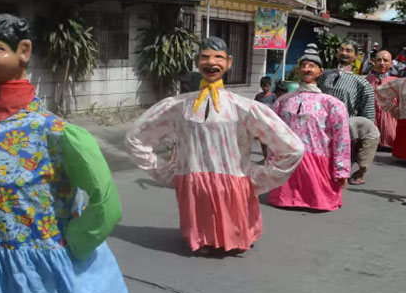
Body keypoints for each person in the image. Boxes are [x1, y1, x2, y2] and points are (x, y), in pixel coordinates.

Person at [0, 14, 129, 293]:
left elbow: (105, 201)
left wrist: (77, 241)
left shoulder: (54, 133)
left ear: (23, 51)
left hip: (42, 274)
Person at [125, 37, 304, 254]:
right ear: (197, 61)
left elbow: (293, 147)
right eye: (205, 57)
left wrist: (260, 178)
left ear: (229, 62)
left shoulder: (243, 107)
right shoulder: (178, 106)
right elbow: (136, 137)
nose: (211, 63)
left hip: (233, 182)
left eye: (218, 57)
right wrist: (166, 171)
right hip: (193, 181)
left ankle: (232, 239)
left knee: (235, 240)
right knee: (201, 237)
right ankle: (202, 240)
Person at [268, 47, 350, 211]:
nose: (307, 69)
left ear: (320, 71)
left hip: (318, 160)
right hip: (288, 160)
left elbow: (342, 139)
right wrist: (271, 160)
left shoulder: (331, 104)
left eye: (311, 66)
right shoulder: (283, 101)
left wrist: (342, 170)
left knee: (319, 198)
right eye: (304, 65)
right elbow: (273, 133)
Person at [318, 42, 376, 120]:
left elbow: (368, 117)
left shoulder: (362, 84)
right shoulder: (324, 75)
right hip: (321, 126)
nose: (344, 53)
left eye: (348, 50)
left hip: (346, 128)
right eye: (341, 49)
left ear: (356, 56)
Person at [366, 50, 397, 149]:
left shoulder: (396, 82)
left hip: (390, 125)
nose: (382, 63)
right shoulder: (367, 80)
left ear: (391, 63)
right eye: (379, 60)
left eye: (385, 60)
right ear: (374, 62)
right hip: (372, 121)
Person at [348, 116, 380, 185]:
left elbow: (354, 140)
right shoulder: (346, 123)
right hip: (362, 135)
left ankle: (360, 177)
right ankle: (357, 173)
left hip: (371, 135)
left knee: (363, 157)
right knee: (355, 155)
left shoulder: (350, 125)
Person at [255, 76, 278, 162]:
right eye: (263, 86)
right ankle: (265, 159)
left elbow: (276, 108)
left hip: (270, 123)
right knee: (263, 142)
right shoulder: (258, 97)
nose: (265, 88)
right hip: (261, 123)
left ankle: (272, 158)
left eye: (267, 86)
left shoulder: (273, 96)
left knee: (270, 142)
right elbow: (254, 108)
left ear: (270, 86)